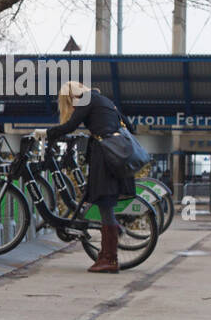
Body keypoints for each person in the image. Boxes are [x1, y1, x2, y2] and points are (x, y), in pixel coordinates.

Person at [31, 81, 134, 273]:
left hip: (106, 160)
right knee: (105, 204)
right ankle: (106, 253)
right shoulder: (103, 99)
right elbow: (129, 125)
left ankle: (110, 260)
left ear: (71, 97)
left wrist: (45, 133)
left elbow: (70, 126)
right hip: (117, 157)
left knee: (105, 206)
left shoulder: (86, 100)